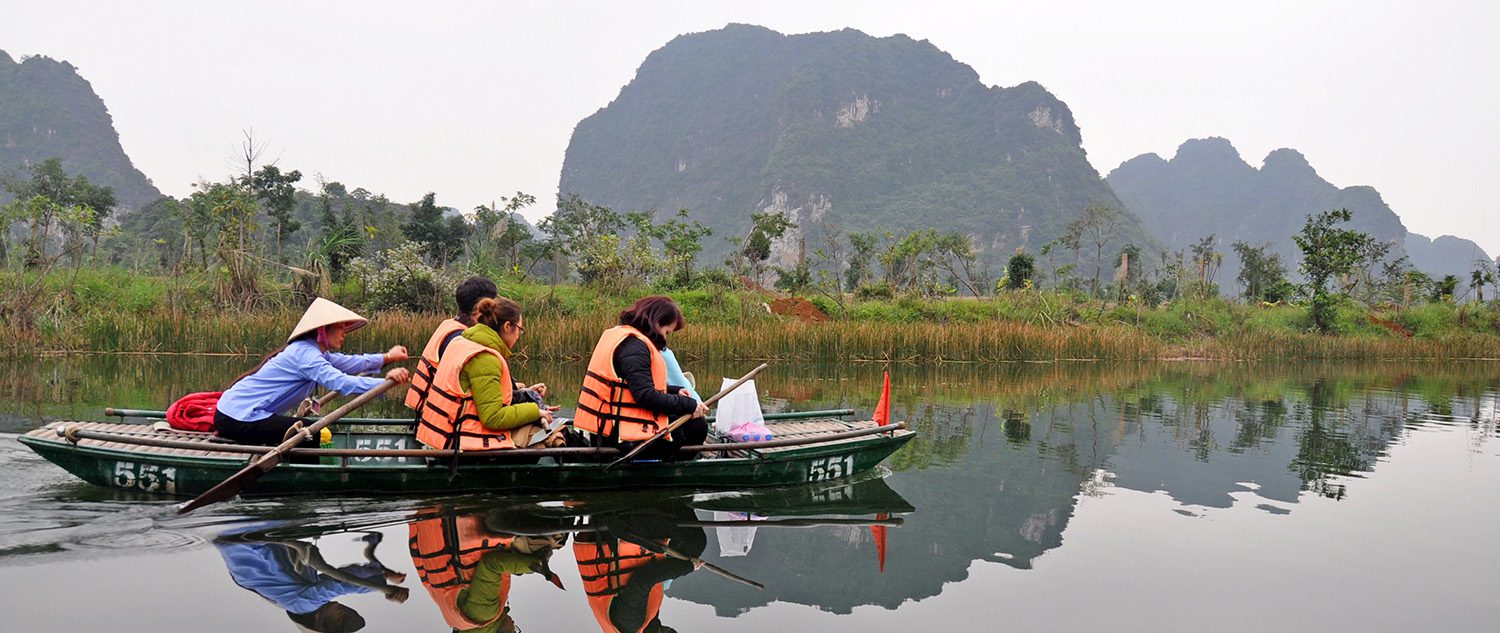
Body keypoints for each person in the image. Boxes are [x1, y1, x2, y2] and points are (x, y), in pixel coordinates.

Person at [215, 298, 410, 447]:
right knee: (312, 432)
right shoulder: (306, 354)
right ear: (323, 331)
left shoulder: (315, 352)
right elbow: (340, 383)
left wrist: (387, 357)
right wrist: (384, 383)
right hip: (238, 417)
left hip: (237, 412)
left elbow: (349, 363)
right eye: (341, 328)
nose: (344, 333)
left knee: (307, 429)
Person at [415, 297, 558, 451]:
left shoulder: (463, 342)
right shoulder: (484, 358)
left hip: (443, 436)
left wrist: (525, 393)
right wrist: (534, 411)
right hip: (457, 446)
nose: (518, 336)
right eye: (519, 330)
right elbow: (493, 418)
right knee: (540, 441)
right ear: (507, 326)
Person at [575, 296, 709, 461]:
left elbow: (631, 389)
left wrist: (675, 391)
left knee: (690, 421)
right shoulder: (635, 347)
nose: (666, 338)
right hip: (620, 438)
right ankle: (670, 471)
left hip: (610, 428)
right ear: (656, 322)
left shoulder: (625, 337)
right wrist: (689, 404)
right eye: (667, 332)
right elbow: (645, 396)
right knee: (697, 426)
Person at [216, 523, 408, 633]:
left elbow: (339, 585)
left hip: (242, 538)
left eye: (338, 623)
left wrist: (385, 589)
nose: (343, 615)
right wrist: (384, 578)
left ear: (320, 622)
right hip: (256, 536)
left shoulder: (301, 605)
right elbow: (345, 576)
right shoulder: (304, 595)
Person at [409, 506, 567, 633]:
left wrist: (534, 565)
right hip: (430, 515)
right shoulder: (452, 613)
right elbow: (420, 563)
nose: (514, 628)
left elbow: (492, 565)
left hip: (461, 514)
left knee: (552, 541)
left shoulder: (484, 614)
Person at [407, 277, 546, 416]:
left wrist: (521, 392)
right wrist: (529, 401)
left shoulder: (454, 331)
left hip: (435, 417)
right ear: (481, 308)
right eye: (493, 306)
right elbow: (488, 408)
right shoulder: (464, 342)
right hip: (450, 422)